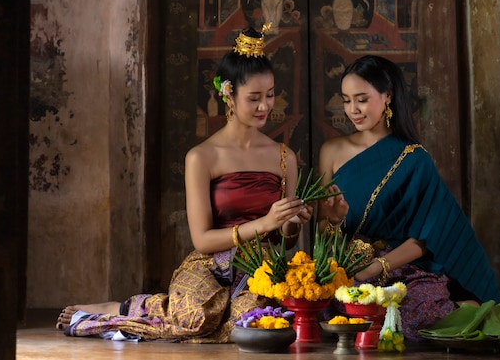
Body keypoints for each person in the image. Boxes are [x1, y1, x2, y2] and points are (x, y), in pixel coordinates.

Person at [55, 27, 312, 342]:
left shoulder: (284, 156)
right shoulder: (202, 157)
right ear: (228, 94)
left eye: (270, 95)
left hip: (259, 268)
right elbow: (202, 239)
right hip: (211, 261)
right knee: (195, 318)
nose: (265, 106)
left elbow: (284, 241)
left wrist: (289, 224)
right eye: (254, 98)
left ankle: (174, 310)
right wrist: (265, 222)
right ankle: (122, 308)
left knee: (251, 325)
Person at [317, 54, 500, 341]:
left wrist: (375, 268)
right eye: (346, 100)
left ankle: (464, 304)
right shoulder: (330, 151)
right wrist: (332, 221)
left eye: (362, 99)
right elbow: (323, 233)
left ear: (387, 97)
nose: (352, 109)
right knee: (322, 312)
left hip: (397, 267)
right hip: (347, 268)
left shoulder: (413, 158)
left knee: (409, 319)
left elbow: (423, 238)